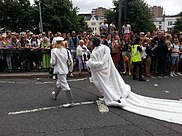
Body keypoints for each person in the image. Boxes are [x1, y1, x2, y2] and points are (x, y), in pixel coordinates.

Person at [86, 36, 182, 125]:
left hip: (104, 70)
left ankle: (111, 94)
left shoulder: (95, 52)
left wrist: (89, 63)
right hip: (112, 68)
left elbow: (100, 63)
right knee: (113, 82)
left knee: (105, 84)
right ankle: (112, 92)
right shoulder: (105, 48)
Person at [50, 37, 74, 108]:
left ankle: (71, 102)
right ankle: (55, 95)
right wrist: (70, 70)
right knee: (59, 83)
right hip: (65, 70)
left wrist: (51, 64)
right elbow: (71, 61)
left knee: (64, 85)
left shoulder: (54, 51)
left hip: (59, 70)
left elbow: (53, 62)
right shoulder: (67, 51)